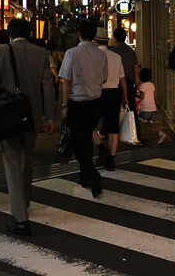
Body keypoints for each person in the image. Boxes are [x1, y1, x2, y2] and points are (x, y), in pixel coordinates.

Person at [0, 19, 55, 235]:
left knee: (11, 163)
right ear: (30, 33)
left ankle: (21, 218)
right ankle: (25, 201)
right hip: (31, 117)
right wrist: (48, 116)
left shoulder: (1, 51)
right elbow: (47, 86)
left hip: (7, 116)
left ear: (10, 35)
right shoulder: (41, 53)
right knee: (26, 161)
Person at [59, 20, 108, 197]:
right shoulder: (101, 55)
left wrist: (64, 105)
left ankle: (92, 174)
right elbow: (104, 78)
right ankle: (85, 176)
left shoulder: (72, 53)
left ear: (79, 33)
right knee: (86, 137)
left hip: (77, 102)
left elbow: (66, 81)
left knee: (78, 141)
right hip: (95, 102)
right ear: (94, 35)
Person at [93, 27, 127, 170]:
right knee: (113, 129)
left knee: (91, 126)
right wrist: (125, 96)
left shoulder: (93, 56)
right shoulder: (116, 57)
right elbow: (122, 79)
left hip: (96, 94)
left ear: (95, 41)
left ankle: (101, 148)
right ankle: (111, 159)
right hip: (114, 93)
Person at [110, 27, 142, 142]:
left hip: (116, 83)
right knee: (131, 108)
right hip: (130, 83)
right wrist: (137, 84)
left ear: (115, 38)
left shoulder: (113, 52)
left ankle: (113, 132)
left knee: (114, 108)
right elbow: (135, 70)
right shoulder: (131, 52)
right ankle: (135, 133)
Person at [138, 68, 168, 144]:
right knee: (152, 123)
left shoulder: (142, 86)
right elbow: (154, 95)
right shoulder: (152, 85)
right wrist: (156, 104)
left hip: (145, 108)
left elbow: (142, 97)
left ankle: (138, 137)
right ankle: (161, 133)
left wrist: (136, 96)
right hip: (152, 107)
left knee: (139, 121)